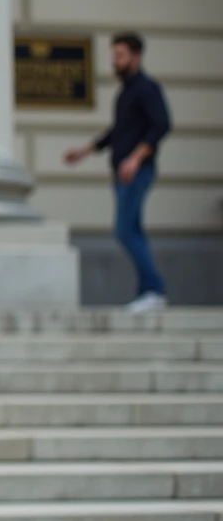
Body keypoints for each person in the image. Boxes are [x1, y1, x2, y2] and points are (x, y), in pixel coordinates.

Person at [64, 31, 172, 313]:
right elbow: (116, 133)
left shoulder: (147, 88)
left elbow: (161, 124)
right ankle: (148, 293)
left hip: (136, 171)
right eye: (114, 56)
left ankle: (154, 290)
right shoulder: (126, 93)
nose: (115, 61)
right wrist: (84, 151)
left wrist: (135, 159)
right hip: (123, 173)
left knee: (125, 230)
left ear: (137, 56)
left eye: (121, 56)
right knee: (132, 230)